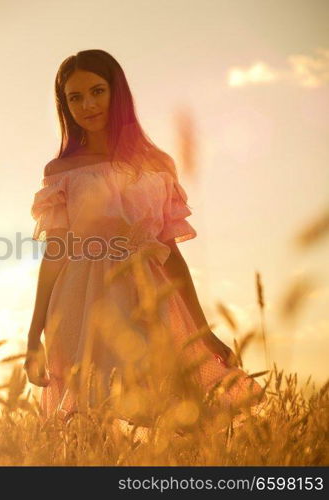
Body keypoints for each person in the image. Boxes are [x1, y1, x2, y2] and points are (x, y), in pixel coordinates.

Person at [24, 50, 266, 428]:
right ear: (64, 105)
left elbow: (170, 254)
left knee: (184, 415)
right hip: (80, 303)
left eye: (97, 91)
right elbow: (54, 252)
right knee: (91, 420)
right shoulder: (61, 171)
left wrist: (203, 334)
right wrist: (34, 336)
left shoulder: (157, 164)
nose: (87, 104)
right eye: (75, 97)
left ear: (117, 92)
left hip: (151, 298)